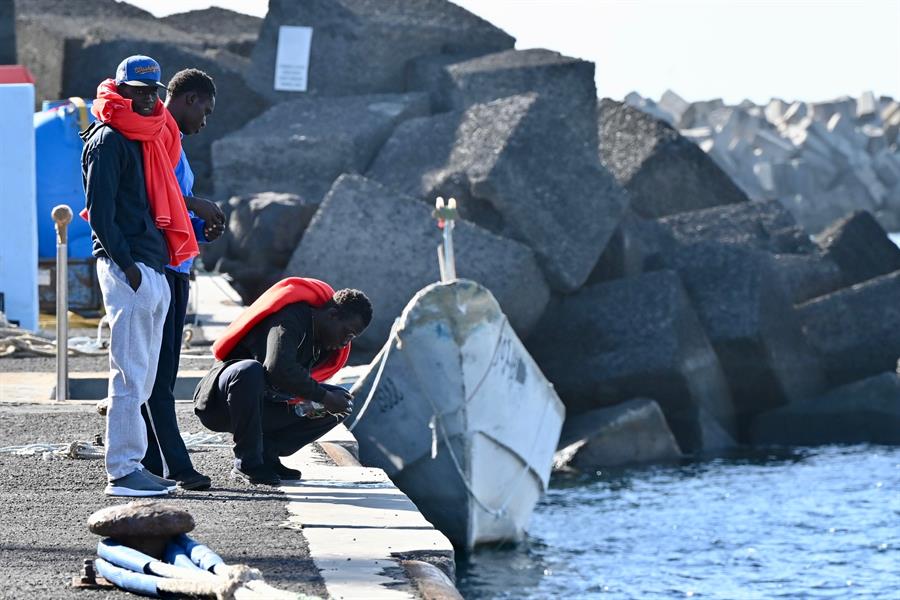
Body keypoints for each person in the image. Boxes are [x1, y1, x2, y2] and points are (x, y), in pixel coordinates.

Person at [82, 55, 199, 496]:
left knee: (144, 378)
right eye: (140, 90)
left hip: (151, 266)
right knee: (129, 376)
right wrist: (127, 268)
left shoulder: (142, 137)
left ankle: (136, 465)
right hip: (130, 267)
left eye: (153, 90)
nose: (149, 98)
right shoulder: (108, 139)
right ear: (121, 90)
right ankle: (123, 471)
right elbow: (102, 214)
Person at [193, 279, 372, 485]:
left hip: (266, 406)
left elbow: (295, 384)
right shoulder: (289, 318)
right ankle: (247, 463)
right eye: (347, 334)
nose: (345, 343)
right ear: (332, 315)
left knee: (342, 403)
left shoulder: (324, 344)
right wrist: (323, 396)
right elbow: (277, 368)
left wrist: (328, 399)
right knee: (250, 371)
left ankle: (267, 454)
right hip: (221, 403)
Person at [140, 68, 225, 491]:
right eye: (204, 112)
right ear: (188, 99)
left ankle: (153, 459)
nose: (204, 123)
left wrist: (199, 221)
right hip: (163, 270)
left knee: (160, 369)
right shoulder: (161, 137)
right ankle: (176, 465)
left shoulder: (172, 142)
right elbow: (150, 192)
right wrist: (198, 205)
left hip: (176, 267)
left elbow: (171, 207)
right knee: (159, 371)